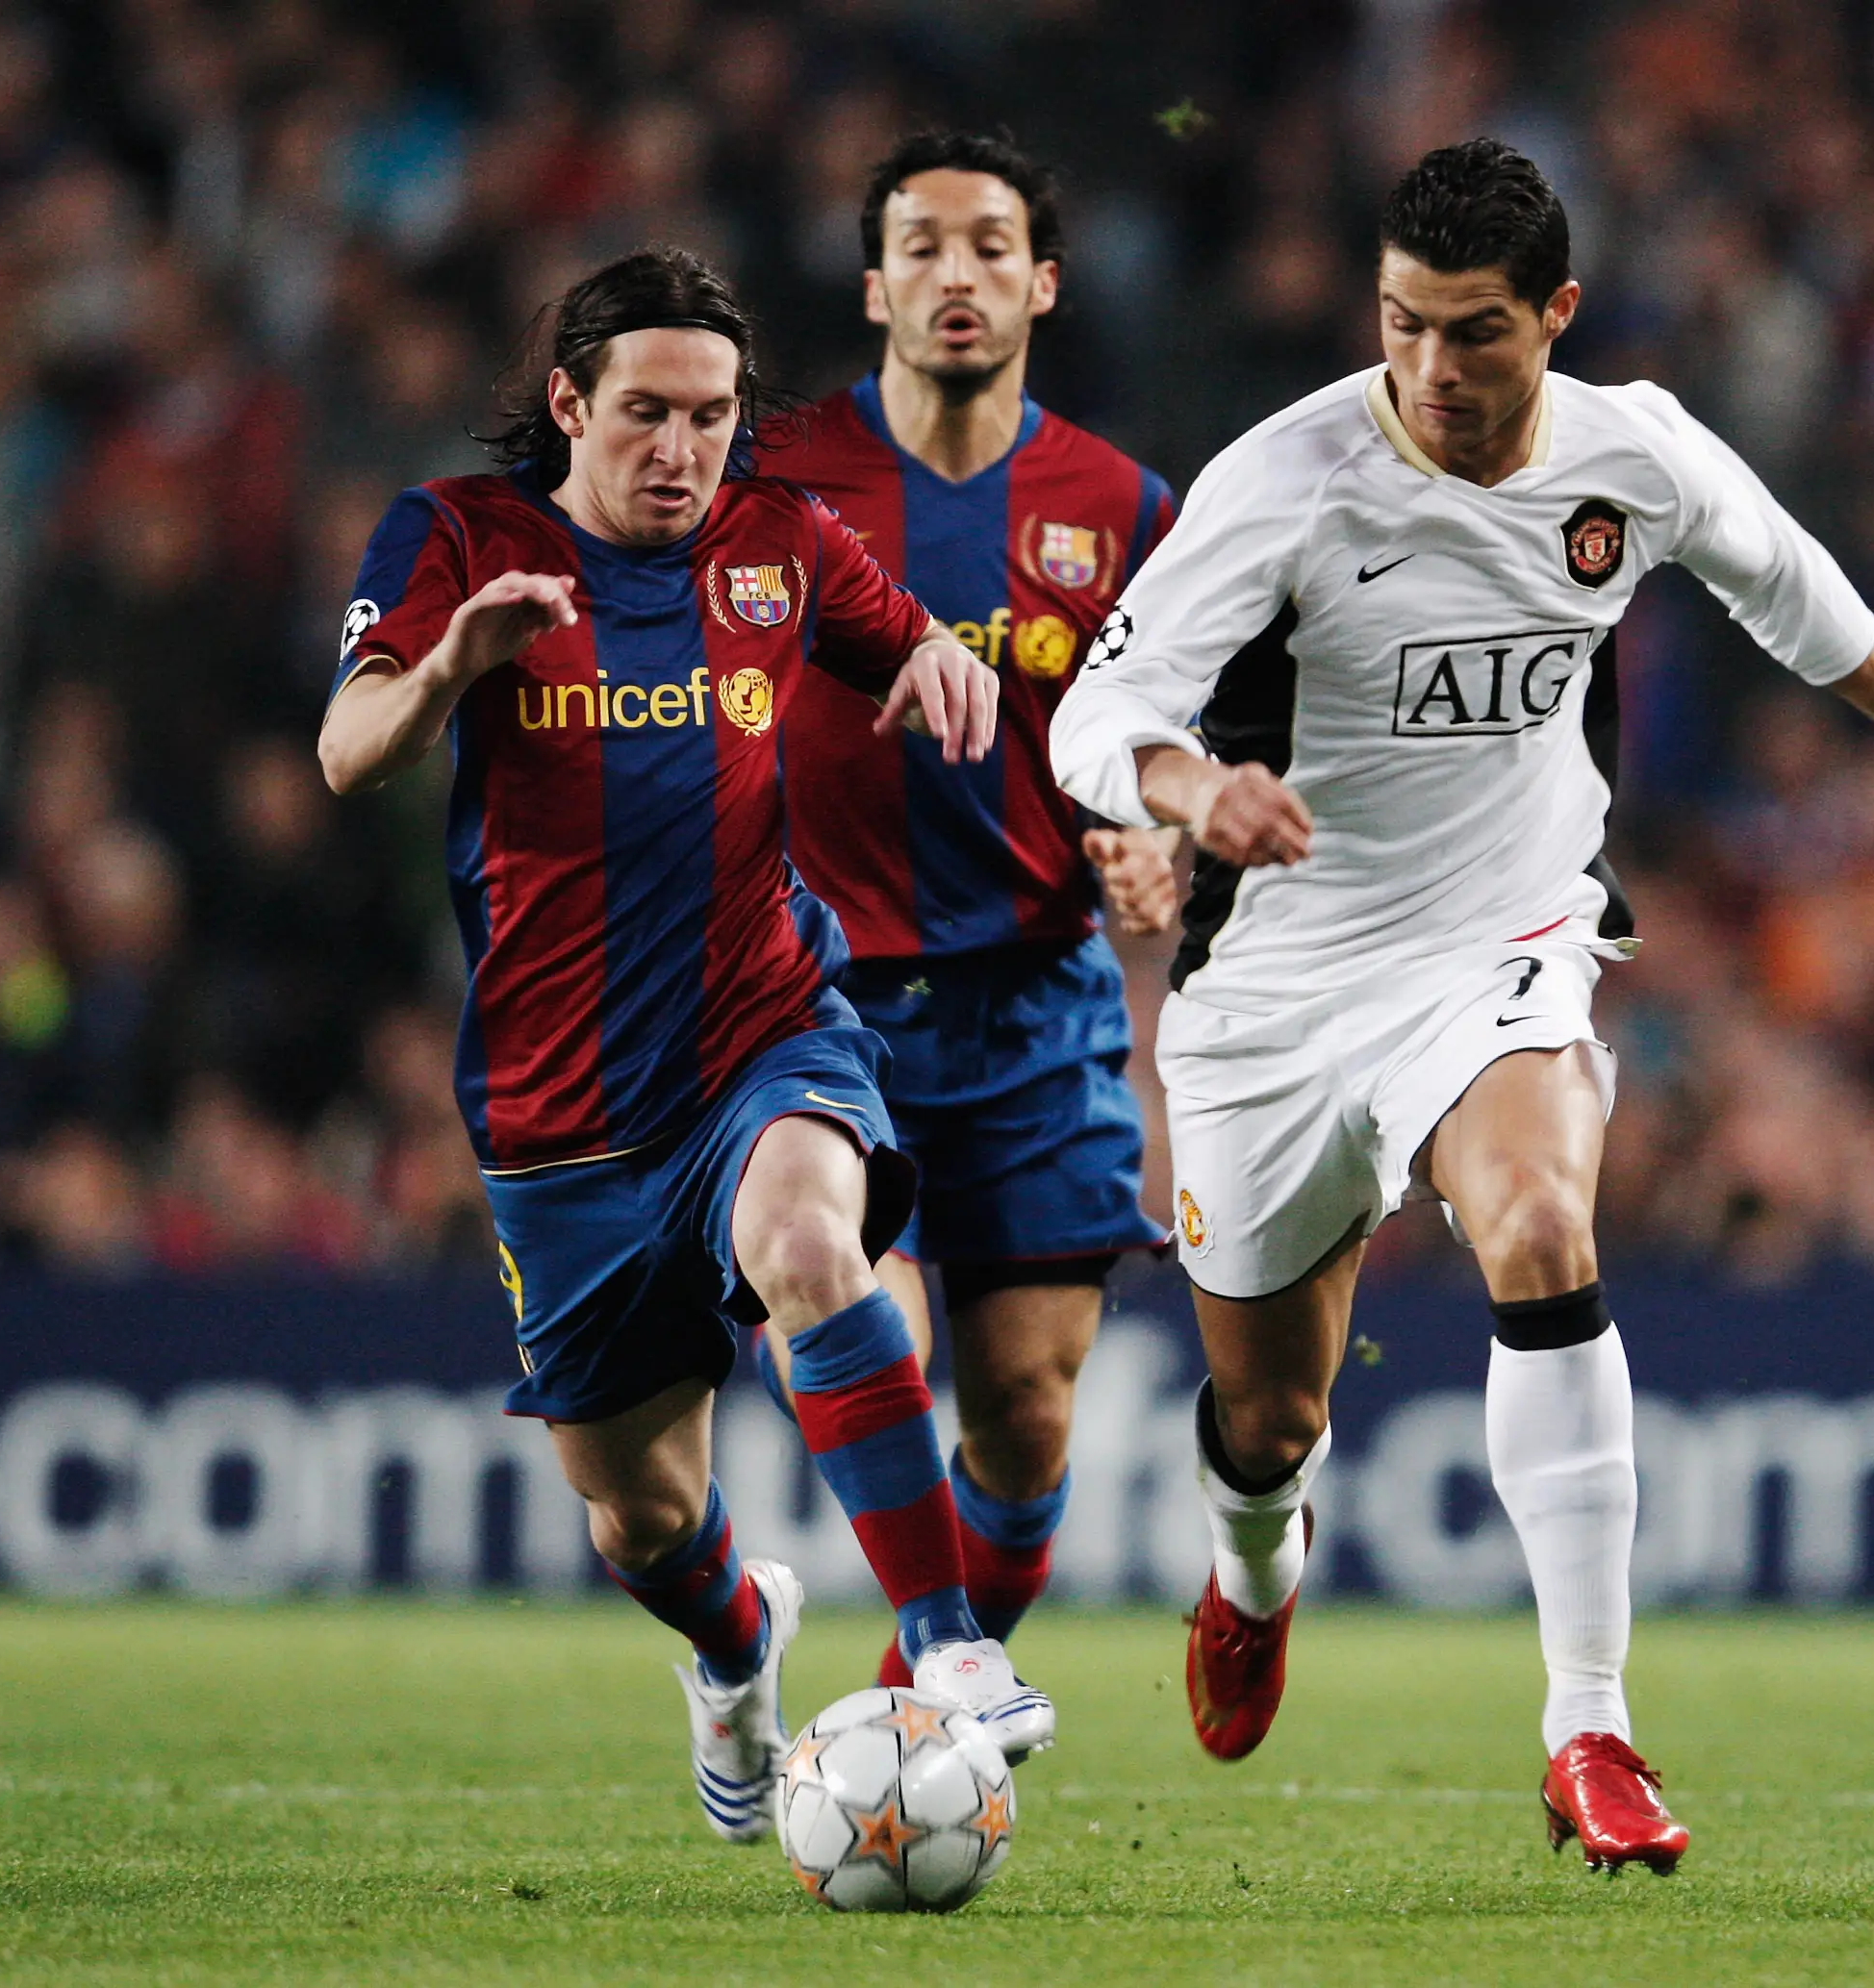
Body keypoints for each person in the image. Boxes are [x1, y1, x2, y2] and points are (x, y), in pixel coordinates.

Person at [1051, 140, 1874, 1873]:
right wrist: (1183, 790)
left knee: (1533, 1217)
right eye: (1404, 327)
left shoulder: (1632, 448)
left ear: (1556, 318)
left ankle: (1587, 1724)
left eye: (1477, 333)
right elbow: (1098, 701)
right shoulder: (1286, 478)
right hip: (1276, 982)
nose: (1433, 370)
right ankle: (1251, 1569)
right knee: (1271, 1418)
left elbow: (1785, 577)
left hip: (1502, 935)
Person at [316, 246, 1053, 1849]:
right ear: (570, 404)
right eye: (644, 411)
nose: (680, 448)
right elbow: (345, 747)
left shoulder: (776, 545)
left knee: (809, 1234)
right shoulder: (459, 534)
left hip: (761, 1034)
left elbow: (906, 631)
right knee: (638, 1511)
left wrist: (937, 652)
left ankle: (949, 1644)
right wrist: (450, 664)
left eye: (710, 415)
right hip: (559, 1111)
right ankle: (737, 1650)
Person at [757, 131, 1180, 1687]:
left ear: (1043, 283)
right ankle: (939, 1673)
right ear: (874, 284)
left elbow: (1166, 735)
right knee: (885, 1334)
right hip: (821, 1004)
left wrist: (1151, 840)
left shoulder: (1124, 505)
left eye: (990, 246)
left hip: (1034, 1000)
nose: (957, 273)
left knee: (1026, 1410)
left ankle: (908, 1705)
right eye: (922, 246)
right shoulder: (777, 484)